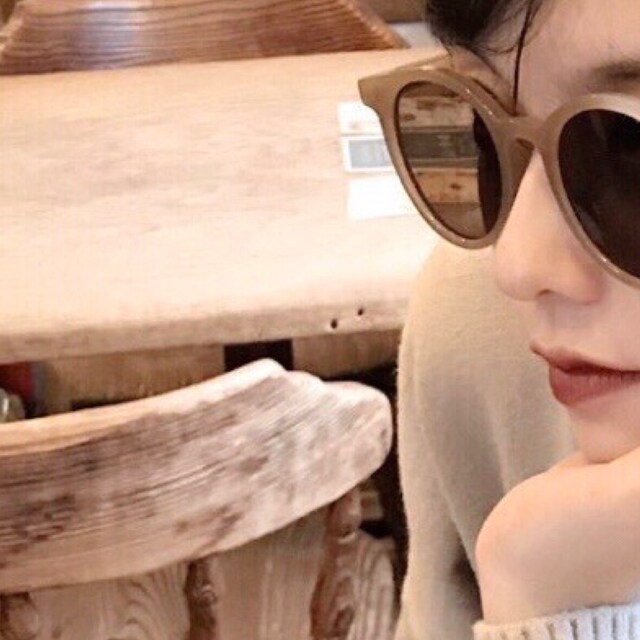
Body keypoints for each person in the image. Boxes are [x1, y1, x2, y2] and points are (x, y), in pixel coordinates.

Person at [360, 1, 640, 638]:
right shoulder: (478, 335)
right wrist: (543, 594)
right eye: (482, 130)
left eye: (629, 147)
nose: (515, 262)